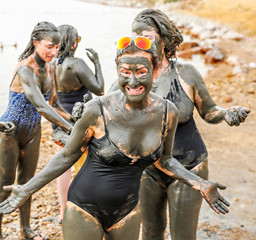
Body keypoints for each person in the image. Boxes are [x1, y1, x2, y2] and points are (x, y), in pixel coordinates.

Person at [0, 36, 229, 240]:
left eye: (141, 72)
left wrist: (200, 183)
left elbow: (165, 160)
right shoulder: (97, 110)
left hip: (128, 210)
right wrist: (28, 188)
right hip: (84, 208)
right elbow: (66, 156)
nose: (133, 82)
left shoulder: (167, 112)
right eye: (125, 73)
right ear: (118, 70)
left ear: (155, 70)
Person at [109, 9, 250, 240]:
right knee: (151, 233)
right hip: (147, 168)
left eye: (146, 37)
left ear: (163, 40)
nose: (139, 43)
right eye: (134, 38)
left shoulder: (187, 74)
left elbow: (209, 111)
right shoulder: (128, 79)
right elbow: (105, 115)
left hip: (189, 165)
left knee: (183, 236)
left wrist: (225, 113)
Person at [0, 22, 73, 240]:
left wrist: (79, 119)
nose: (54, 52)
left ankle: (25, 229)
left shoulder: (51, 68)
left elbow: (55, 103)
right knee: (4, 187)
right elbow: (41, 106)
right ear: (35, 43)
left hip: (33, 133)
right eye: (49, 46)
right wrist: (67, 126)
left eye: (58, 47)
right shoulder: (25, 69)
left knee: (28, 183)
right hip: (9, 133)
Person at [52, 24, 104, 221]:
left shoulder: (51, 65)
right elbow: (99, 89)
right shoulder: (76, 63)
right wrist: (98, 62)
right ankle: (90, 209)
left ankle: (64, 211)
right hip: (81, 119)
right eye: (78, 40)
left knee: (63, 165)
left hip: (58, 119)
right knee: (88, 163)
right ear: (73, 42)